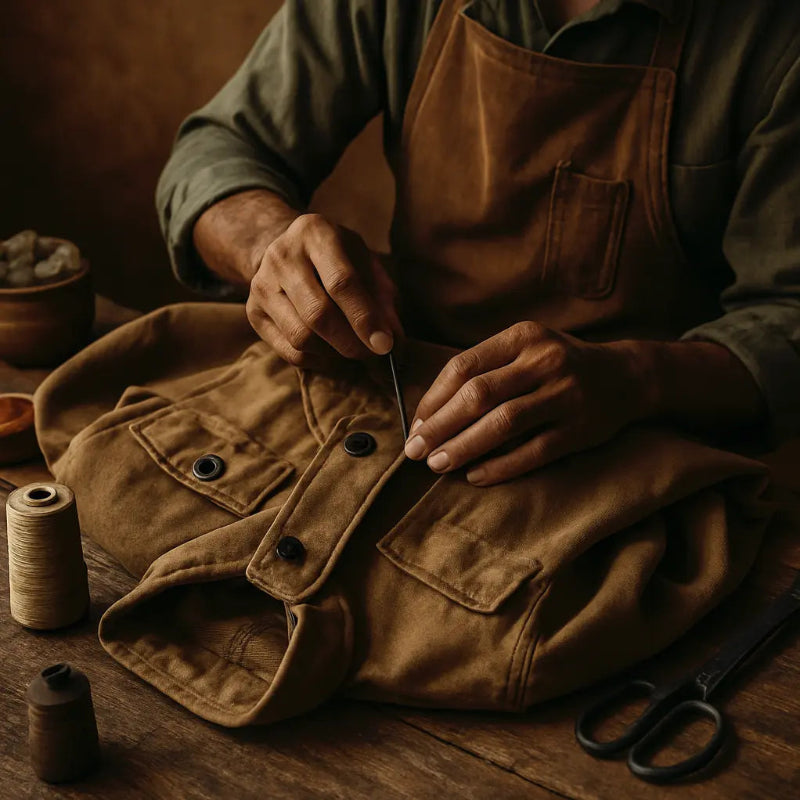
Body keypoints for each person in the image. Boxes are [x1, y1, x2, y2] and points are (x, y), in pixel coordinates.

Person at [157, 0, 800, 488]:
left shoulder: (774, 35)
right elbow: (216, 154)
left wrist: (635, 379)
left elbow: (789, 316)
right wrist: (269, 243)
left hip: (634, 457)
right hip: (398, 391)